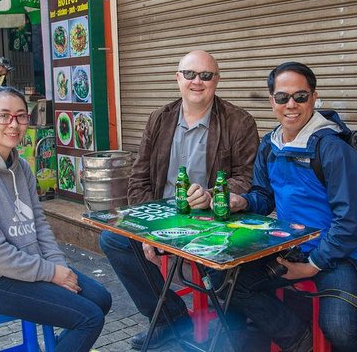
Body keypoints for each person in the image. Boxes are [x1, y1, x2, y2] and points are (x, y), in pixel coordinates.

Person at [99, 50, 259, 350]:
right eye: (189, 74)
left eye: (205, 75)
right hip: (165, 219)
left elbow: (248, 179)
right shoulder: (160, 119)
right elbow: (139, 179)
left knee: (224, 265)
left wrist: (213, 195)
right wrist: (148, 230)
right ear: (178, 78)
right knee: (113, 240)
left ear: (217, 81)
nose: (197, 81)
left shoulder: (239, 121)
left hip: (215, 221)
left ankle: (228, 329)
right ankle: (170, 319)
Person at [0, 86, 111, 352]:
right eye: (4, 116)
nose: (14, 124)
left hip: (28, 267)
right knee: (88, 318)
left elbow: (40, 225)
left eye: (21, 116)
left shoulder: (20, 167)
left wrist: (58, 266)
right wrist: (50, 273)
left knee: (101, 299)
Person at [227, 62, 357, 352]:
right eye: (282, 97)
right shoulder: (269, 145)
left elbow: (352, 221)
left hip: (336, 252)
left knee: (340, 329)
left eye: (300, 96)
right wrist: (244, 202)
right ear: (272, 102)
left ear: (314, 98)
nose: (291, 104)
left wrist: (313, 264)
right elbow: (264, 196)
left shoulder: (333, 149)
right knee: (228, 283)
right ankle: (297, 339)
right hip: (289, 245)